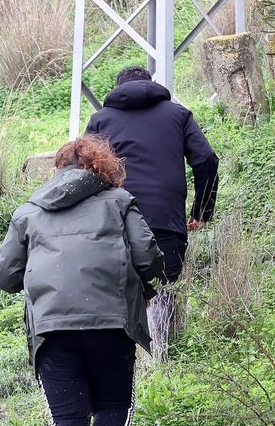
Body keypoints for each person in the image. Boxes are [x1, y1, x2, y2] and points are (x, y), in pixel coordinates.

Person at [0, 134, 164, 426]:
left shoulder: (29, 211)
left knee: (67, 416)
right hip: (111, 324)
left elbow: (5, 276)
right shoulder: (120, 201)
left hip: (53, 329)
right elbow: (147, 255)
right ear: (101, 166)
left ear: (57, 170)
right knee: (114, 403)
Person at [85, 66, 219, 354]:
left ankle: (128, 362)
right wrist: (202, 211)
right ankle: (163, 364)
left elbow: (84, 171)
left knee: (119, 294)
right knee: (164, 290)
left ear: (117, 88)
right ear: (151, 84)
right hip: (165, 221)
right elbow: (206, 159)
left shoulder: (101, 120)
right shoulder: (178, 114)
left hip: (115, 221)